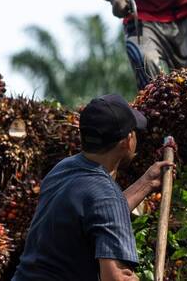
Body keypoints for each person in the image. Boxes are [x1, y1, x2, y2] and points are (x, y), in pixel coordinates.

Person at [12, 94, 173, 281]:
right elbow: (115, 277)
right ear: (128, 141)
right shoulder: (106, 195)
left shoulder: (62, 169)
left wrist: (146, 183)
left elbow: (100, 212)